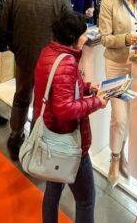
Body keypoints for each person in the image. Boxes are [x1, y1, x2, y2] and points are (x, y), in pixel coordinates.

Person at [34, 12, 107, 223]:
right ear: (74, 37)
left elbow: (62, 90)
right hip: (68, 141)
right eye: (84, 33)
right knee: (86, 199)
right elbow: (64, 109)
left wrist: (87, 88)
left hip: (51, 137)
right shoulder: (66, 63)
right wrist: (96, 102)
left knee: (53, 188)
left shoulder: (50, 52)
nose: (86, 37)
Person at [2, 0, 72, 160]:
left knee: (21, 97)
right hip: (50, 62)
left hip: (22, 56)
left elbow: (5, 27)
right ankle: (34, 143)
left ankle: (15, 137)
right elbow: (68, 31)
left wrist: (16, 48)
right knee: (42, 103)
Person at [98, 0, 137, 186]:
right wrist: (126, 39)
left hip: (136, 66)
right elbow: (105, 39)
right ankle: (115, 158)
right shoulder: (109, 3)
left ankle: (122, 153)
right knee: (118, 118)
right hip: (116, 66)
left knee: (129, 116)